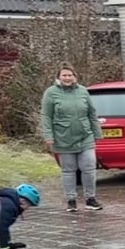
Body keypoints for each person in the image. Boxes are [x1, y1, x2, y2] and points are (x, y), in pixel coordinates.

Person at [42, 65, 104, 211]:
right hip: (63, 137)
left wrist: (97, 133)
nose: (67, 78)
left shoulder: (82, 91)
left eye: (70, 75)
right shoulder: (51, 93)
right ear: (58, 77)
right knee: (69, 170)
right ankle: (71, 200)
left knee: (89, 168)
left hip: (85, 136)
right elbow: (46, 116)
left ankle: (90, 198)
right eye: (64, 75)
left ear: (74, 76)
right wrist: (48, 135)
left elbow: (91, 113)